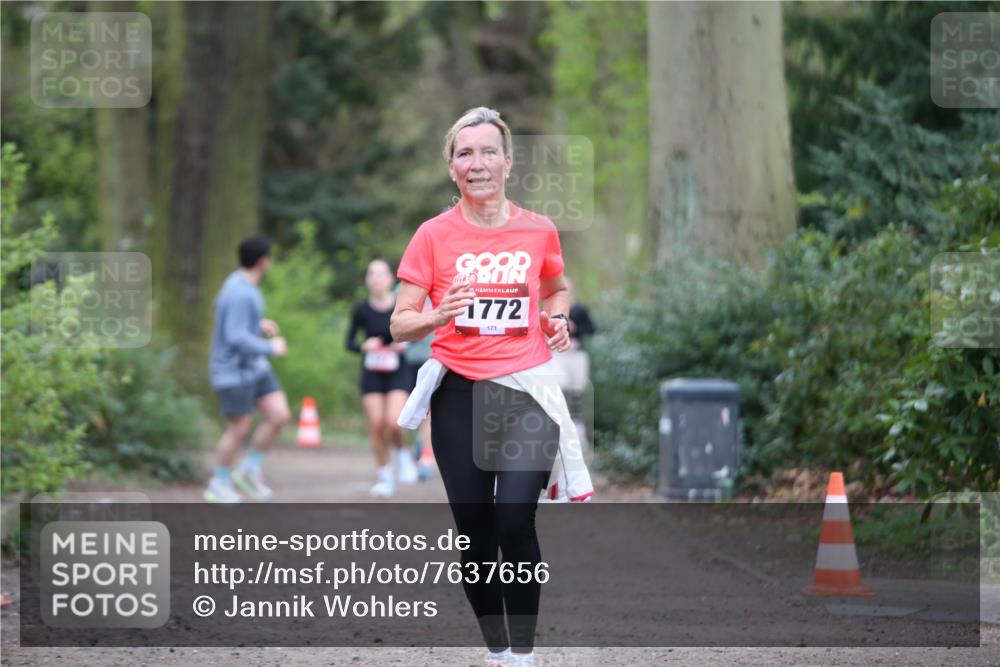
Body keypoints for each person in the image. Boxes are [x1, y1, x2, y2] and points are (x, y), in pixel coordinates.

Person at [391, 107, 593, 667]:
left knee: (514, 521)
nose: (476, 163)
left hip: (527, 391)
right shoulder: (432, 236)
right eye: (464, 154)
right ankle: (497, 648)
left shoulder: (538, 230)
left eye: (486, 152)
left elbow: (557, 288)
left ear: (507, 161)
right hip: (458, 394)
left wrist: (556, 318)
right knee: (477, 532)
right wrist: (437, 316)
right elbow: (399, 321)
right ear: (452, 169)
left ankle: (522, 656)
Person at [205, 235, 292, 504]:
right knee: (239, 428)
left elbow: (232, 321)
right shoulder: (241, 292)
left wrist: (257, 324)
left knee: (278, 415)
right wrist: (270, 347)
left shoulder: (238, 282)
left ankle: (248, 470)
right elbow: (234, 337)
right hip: (232, 371)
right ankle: (218, 483)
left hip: (254, 368)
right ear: (263, 261)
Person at [346, 258, 418, 497]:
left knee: (394, 421)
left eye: (381, 274)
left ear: (390, 279)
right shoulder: (361, 309)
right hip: (372, 373)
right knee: (377, 425)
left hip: (398, 371)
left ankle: (403, 455)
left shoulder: (400, 304)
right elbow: (349, 342)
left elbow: (416, 332)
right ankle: (385, 476)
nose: (376, 279)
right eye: (372, 274)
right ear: (367, 280)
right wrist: (364, 346)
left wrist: (404, 343)